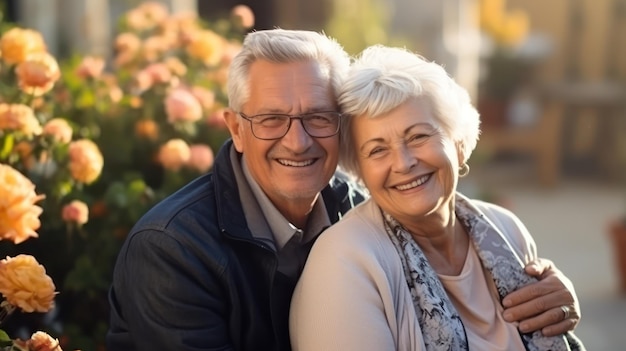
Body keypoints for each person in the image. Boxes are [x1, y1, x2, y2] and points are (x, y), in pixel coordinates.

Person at [107, 29, 580, 351]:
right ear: (235, 128)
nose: (298, 140)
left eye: (317, 117)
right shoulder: (172, 249)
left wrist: (550, 292)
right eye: (272, 118)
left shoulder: (354, 200)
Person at [289, 45, 586, 351]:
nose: (403, 163)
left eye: (418, 136)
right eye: (377, 150)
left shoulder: (505, 229)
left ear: (458, 144)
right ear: (360, 172)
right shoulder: (345, 260)